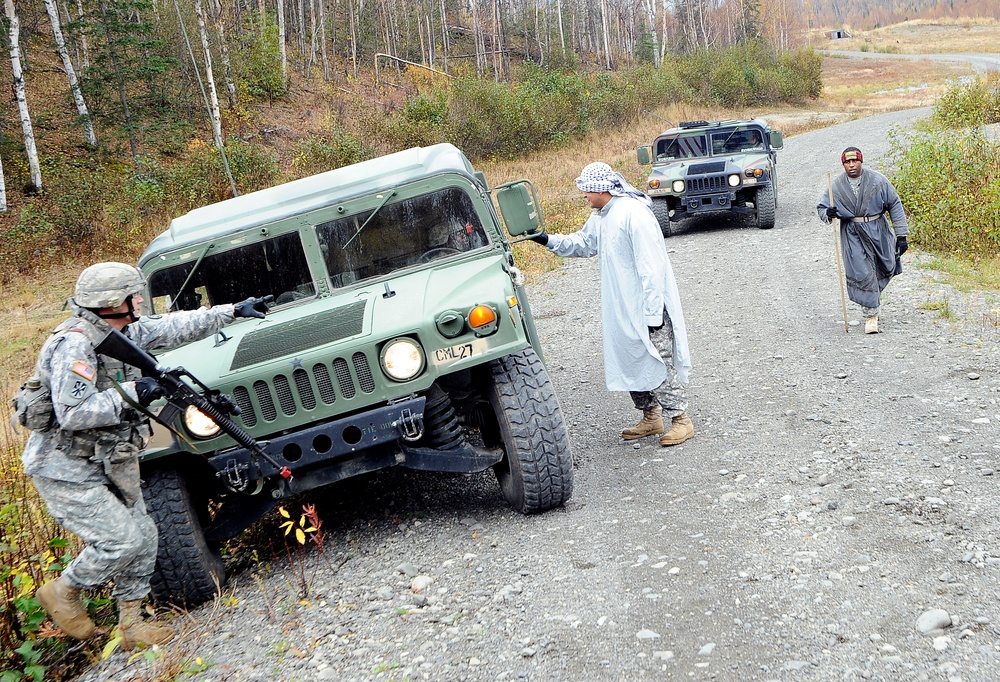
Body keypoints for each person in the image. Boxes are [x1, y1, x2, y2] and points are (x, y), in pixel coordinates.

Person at [20, 262, 271, 648]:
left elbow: (173, 327)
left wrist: (234, 311)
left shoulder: (121, 331)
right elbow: (72, 414)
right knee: (121, 541)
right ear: (111, 301)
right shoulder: (75, 345)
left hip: (110, 457)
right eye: (132, 294)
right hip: (65, 466)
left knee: (146, 535)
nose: (139, 300)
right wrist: (138, 392)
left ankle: (131, 626)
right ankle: (64, 589)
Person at [528, 162, 693, 447]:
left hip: (645, 306)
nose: (584, 195)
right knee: (631, 358)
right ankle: (651, 417)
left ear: (601, 188)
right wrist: (546, 239)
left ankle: (681, 419)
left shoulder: (634, 214)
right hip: (621, 306)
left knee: (657, 359)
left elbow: (651, 267)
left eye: (586, 190)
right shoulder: (602, 215)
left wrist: (653, 313)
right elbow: (584, 243)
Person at [817, 147, 909, 334]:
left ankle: (873, 298)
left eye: (855, 161)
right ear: (843, 164)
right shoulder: (836, 186)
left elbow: (894, 204)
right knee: (862, 271)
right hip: (852, 234)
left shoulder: (878, 181)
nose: (851, 165)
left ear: (861, 161)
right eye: (847, 162)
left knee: (885, 266)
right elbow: (822, 206)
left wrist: (901, 236)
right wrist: (828, 212)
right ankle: (871, 315)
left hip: (878, 230)